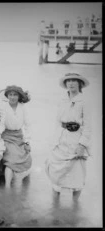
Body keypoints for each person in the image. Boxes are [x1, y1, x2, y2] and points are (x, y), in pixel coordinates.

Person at [45, 73, 91, 202]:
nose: (71, 83)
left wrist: (82, 145)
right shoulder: (62, 100)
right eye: (68, 81)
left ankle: (75, 206)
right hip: (61, 137)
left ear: (80, 84)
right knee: (56, 170)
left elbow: (88, 126)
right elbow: (57, 121)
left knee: (76, 171)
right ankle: (55, 206)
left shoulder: (84, 101)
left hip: (76, 138)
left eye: (74, 81)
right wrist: (54, 139)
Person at [0, 86, 32, 188]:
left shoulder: (23, 107)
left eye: (15, 95)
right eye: (10, 95)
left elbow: (27, 125)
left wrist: (27, 142)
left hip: (19, 136)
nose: (12, 97)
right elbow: (1, 123)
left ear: (19, 96)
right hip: (6, 136)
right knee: (11, 159)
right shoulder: (3, 106)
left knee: (26, 156)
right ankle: (8, 187)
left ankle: (16, 179)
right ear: (7, 96)